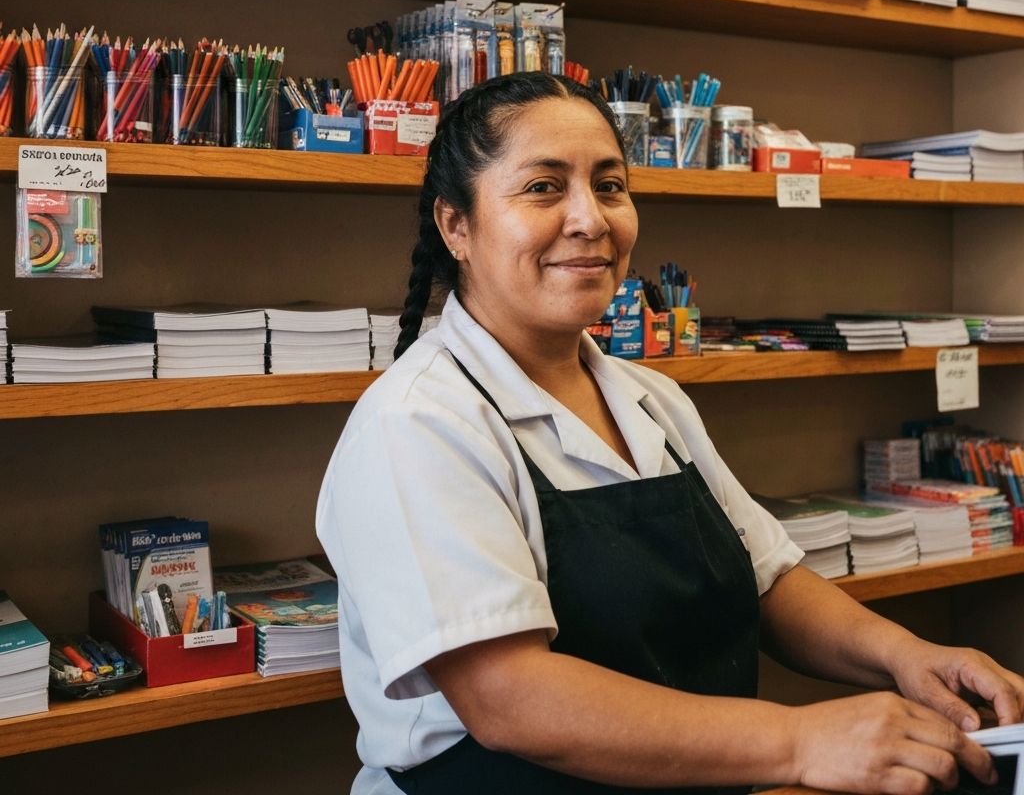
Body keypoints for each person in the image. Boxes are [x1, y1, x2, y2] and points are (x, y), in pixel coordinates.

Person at [316, 72, 1024, 795]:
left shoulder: (652, 399)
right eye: (543, 188)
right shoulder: (416, 424)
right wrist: (802, 737)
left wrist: (905, 656)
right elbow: (509, 701)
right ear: (455, 226)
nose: (591, 219)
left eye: (611, 185)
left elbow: (767, 582)